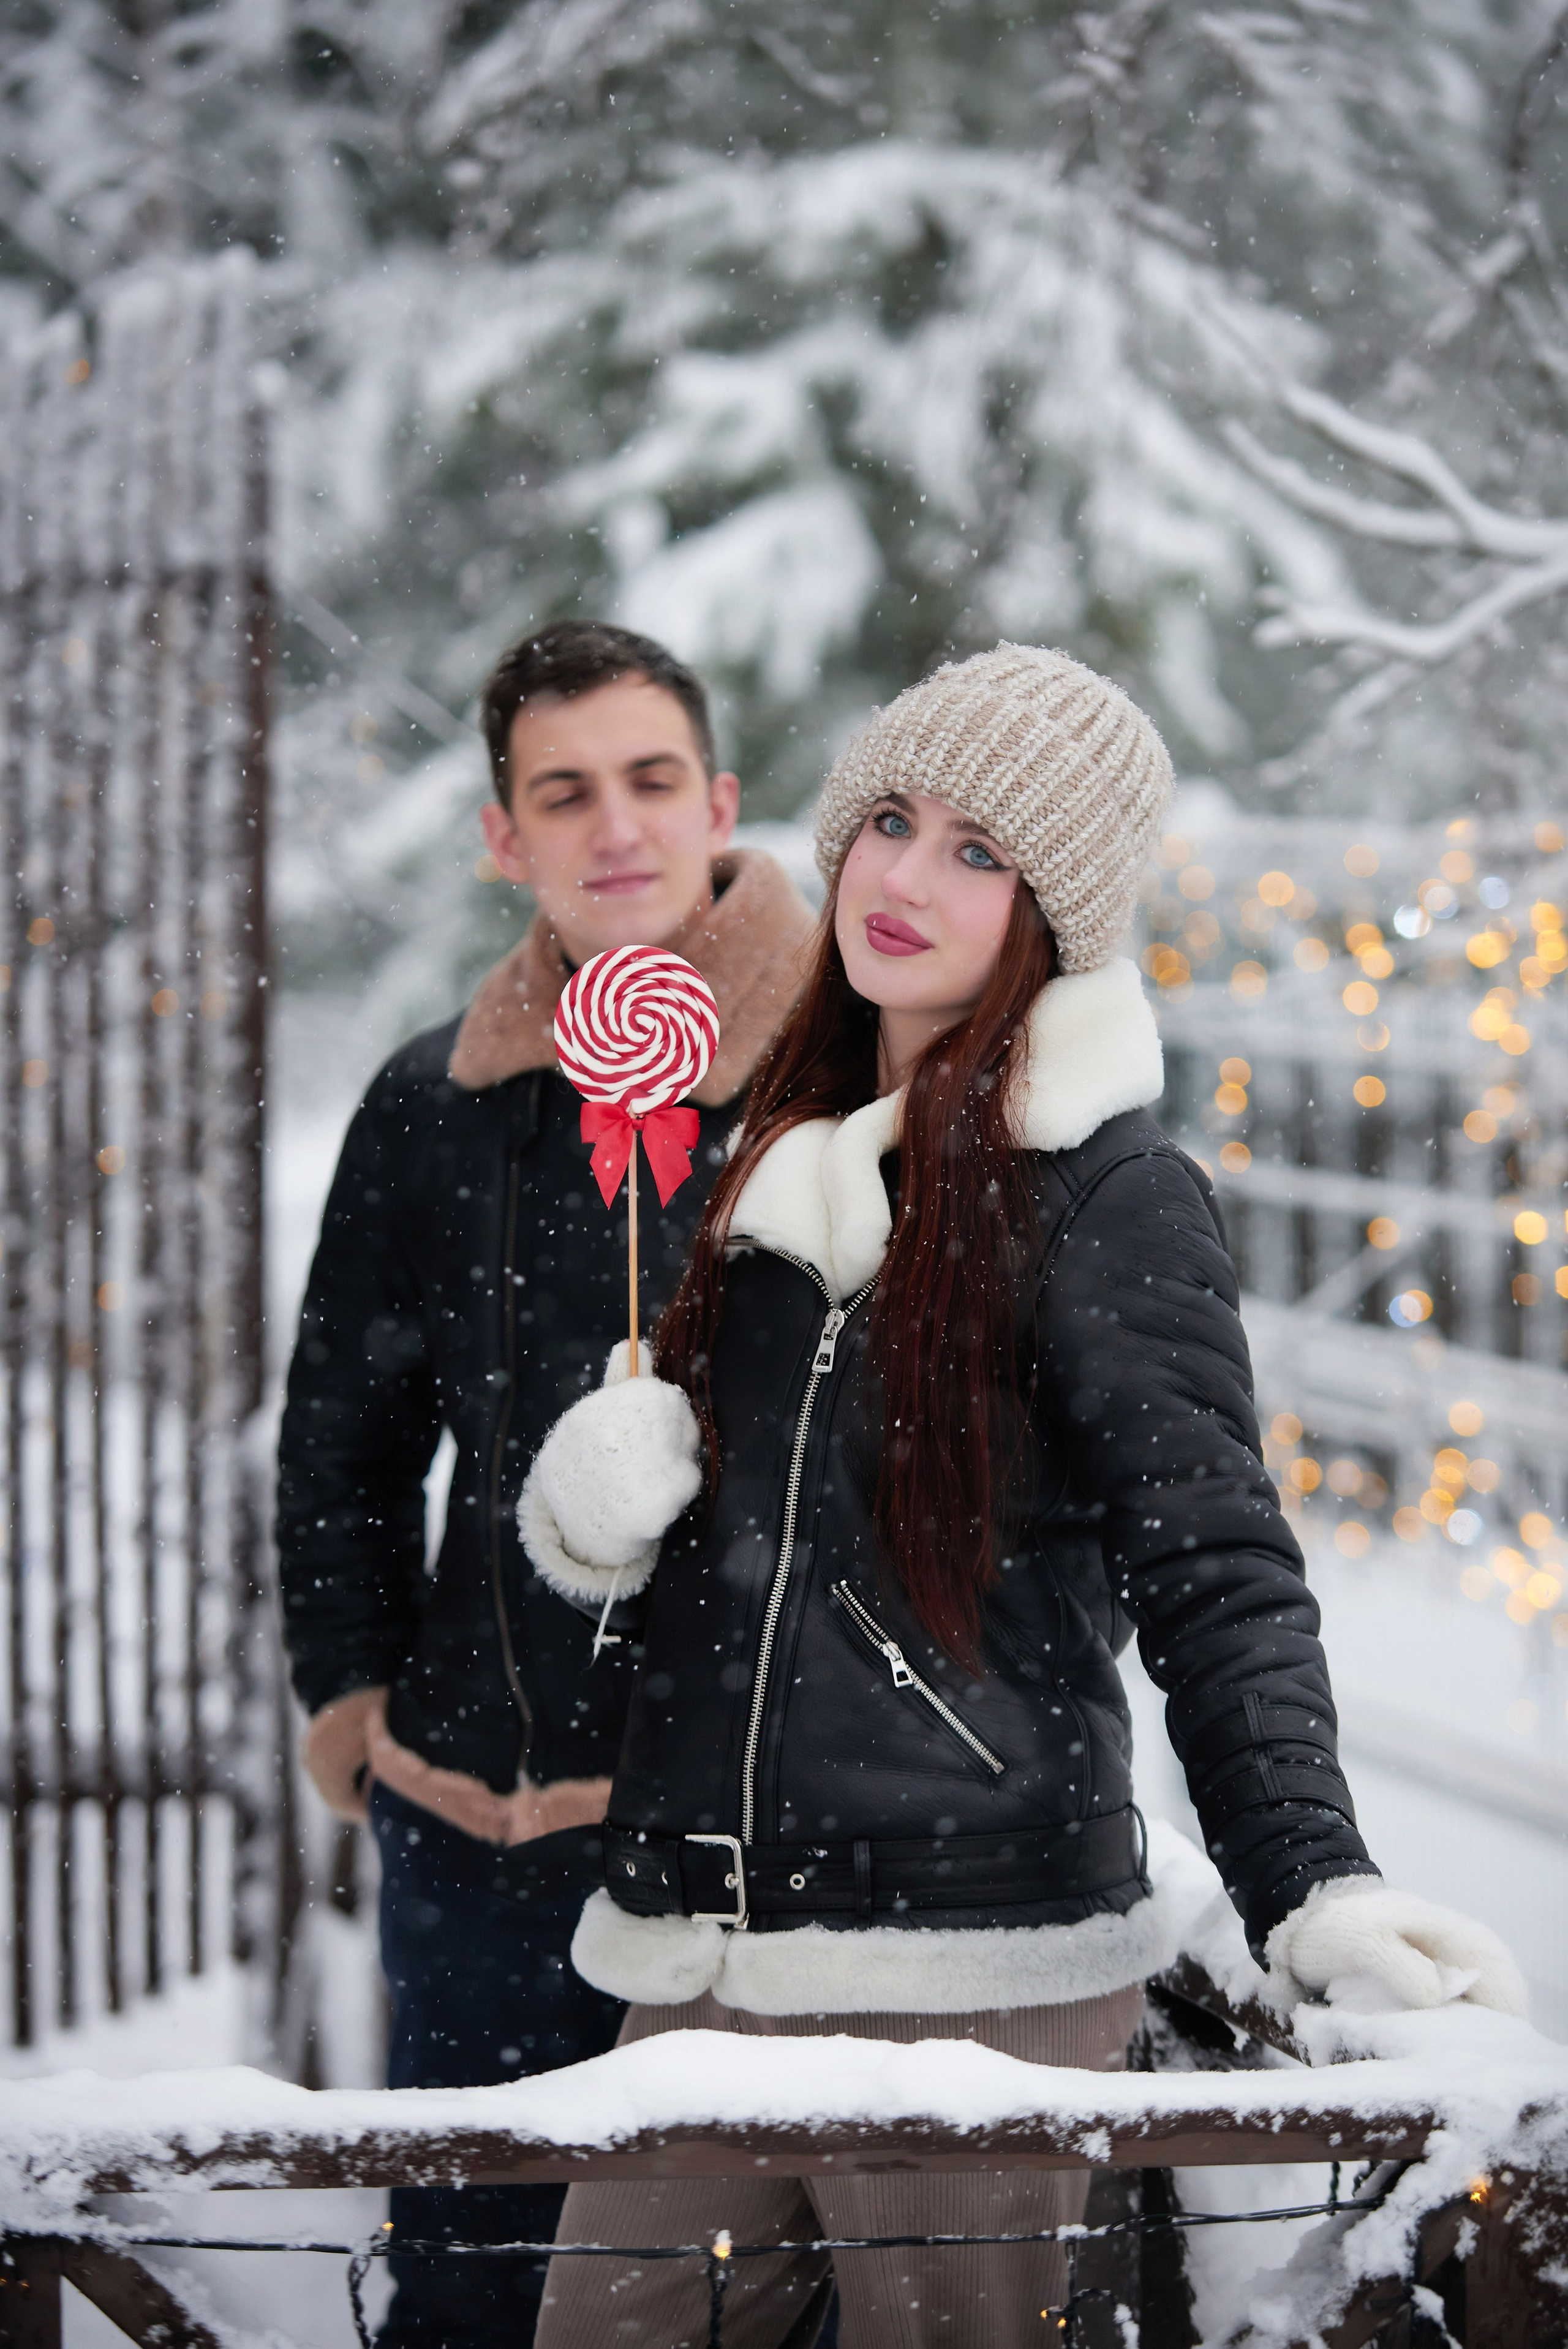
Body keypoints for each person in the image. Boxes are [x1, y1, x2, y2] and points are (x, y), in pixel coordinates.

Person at [517, 644, 1528, 2349]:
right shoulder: (783, 1156)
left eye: (983, 851)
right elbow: (750, 1566)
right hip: (704, 1964)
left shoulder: (1112, 1194)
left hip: (975, 1975)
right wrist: (597, 1507)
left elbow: (1217, 1568)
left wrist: (1314, 1881)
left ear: (1055, 910)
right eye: (892, 819)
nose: (907, 878)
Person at [275, 620, 814, 2348]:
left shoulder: (845, 1075)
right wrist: (355, 1695)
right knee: (469, 2295)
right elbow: (342, 1441)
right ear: (504, 834)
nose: (617, 828)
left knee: (722, 2314)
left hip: (764, 1853)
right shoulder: (435, 1103)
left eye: (653, 779)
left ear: (720, 798)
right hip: (479, 1831)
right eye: (562, 792)